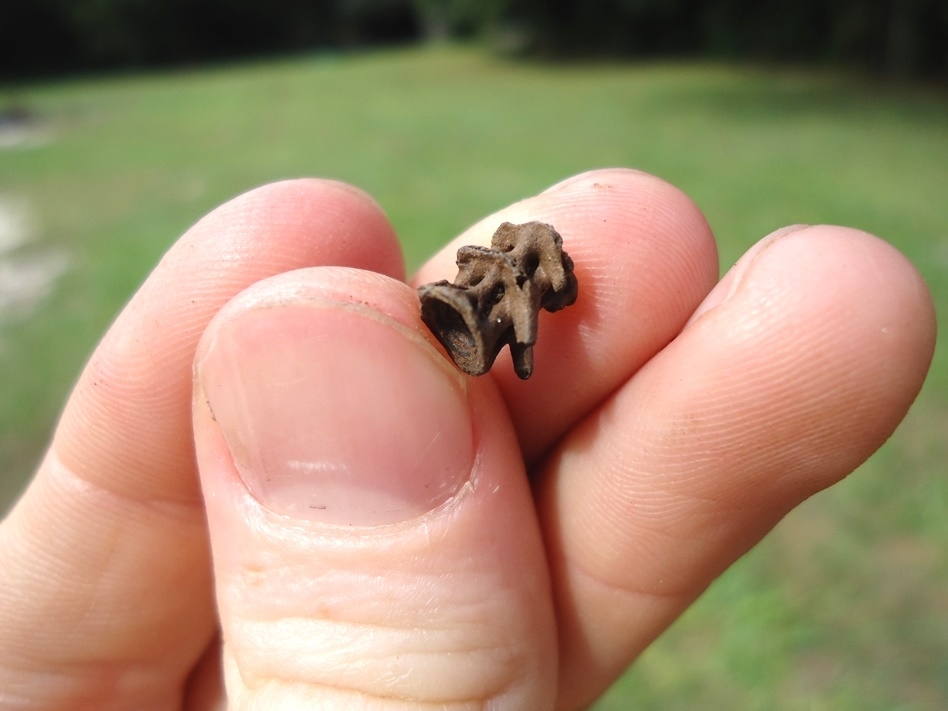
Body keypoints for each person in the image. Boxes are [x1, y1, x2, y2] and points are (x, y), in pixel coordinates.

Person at [0, 169, 935, 709]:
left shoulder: (528, 264)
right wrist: (507, 312)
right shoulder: (502, 265)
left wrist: (521, 312)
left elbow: (539, 311)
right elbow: (525, 314)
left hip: (474, 312)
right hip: (464, 309)